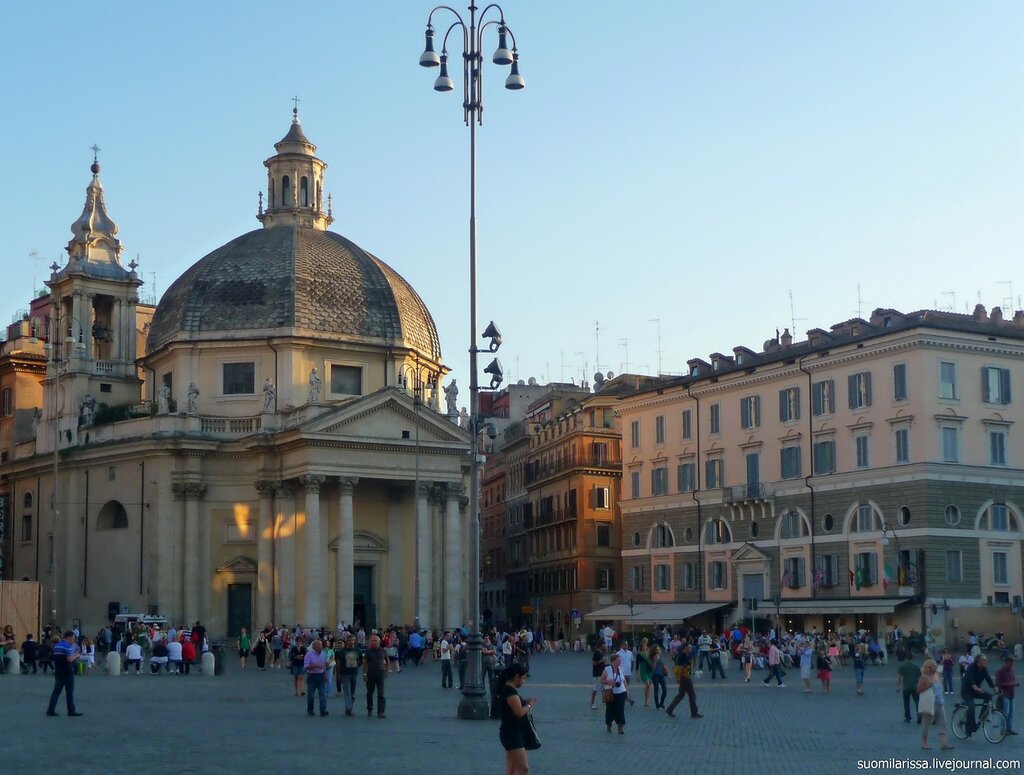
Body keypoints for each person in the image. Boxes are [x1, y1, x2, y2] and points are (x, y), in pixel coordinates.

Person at [498, 663, 537, 775]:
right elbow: (519, 712)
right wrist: (529, 704)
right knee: (523, 768)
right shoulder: (511, 692)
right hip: (512, 734)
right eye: (523, 678)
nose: (524, 681)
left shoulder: (506, 690)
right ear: (516, 677)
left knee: (512, 767)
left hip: (510, 732)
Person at [917, 659, 955, 751]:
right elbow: (918, 689)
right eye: (933, 666)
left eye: (935, 665)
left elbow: (939, 688)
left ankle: (943, 742)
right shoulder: (924, 677)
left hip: (939, 702)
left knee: (943, 722)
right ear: (928, 667)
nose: (936, 667)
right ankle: (924, 742)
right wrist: (928, 685)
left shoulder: (937, 675)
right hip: (930, 702)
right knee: (926, 723)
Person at [46, 631, 82, 717]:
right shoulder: (68, 646)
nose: (74, 640)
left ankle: (51, 709)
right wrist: (76, 656)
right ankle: (71, 710)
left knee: (56, 691)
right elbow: (69, 659)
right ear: (69, 637)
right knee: (69, 692)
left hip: (58, 670)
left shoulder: (57, 645)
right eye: (73, 638)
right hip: (67, 671)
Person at [961, 653, 996, 738]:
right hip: (967, 691)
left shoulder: (984, 668)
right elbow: (969, 678)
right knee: (971, 708)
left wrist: (995, 687)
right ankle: (968, 730)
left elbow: (988, 678)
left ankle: (982, 715)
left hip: (977, 690)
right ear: (978, 662)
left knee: (989, 696)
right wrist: (975, 687)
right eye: (984, 660)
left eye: (986, 659)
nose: (986, 661)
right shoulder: (971, 667)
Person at [665, 642, 702, 719]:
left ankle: (669, 709)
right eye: (689, 647)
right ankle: (694, 713)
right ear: (685, 647)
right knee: (692, 694)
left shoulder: (684, 655)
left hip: (684, 677)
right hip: (685, 678)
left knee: (681, 695)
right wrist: (679, 677)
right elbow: (681, 667)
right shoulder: (683, 656)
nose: (690, 648)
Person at [601, 652, 628, 734]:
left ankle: (620, 727)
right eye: (618, 660)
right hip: (611, 693)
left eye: (620, 660)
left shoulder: (621, 669)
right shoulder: (607, 669)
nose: (620, 662)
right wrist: (610, 682)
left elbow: (624, 681)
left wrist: (627, 691)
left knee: (620, 710)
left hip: (621, 692)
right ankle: (609, 725)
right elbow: (601, 680)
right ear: (613, 661)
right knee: (610, 710)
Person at [363, 634, 388, 718]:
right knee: (370, 693)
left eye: (375, 641)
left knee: (381, 694)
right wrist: (364, 674)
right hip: (370, 674)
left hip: (380, 674)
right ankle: (370, 708)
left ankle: (380, 711)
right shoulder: (368, 651)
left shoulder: (383, 651)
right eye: (372, 641)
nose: (373, 642)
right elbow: (365, 663)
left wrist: (387, 671)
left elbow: (387, 661)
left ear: (379, 642)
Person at [336, 633, 362, 716]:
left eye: (353, 640)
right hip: (345, 673)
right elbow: (338, 664)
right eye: (350, 640)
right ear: (347, 641)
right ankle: (349, 709)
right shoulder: (342, 652)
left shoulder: (358, 650)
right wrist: (339, 674)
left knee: (353, 693)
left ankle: (349, 706)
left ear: (355, 641)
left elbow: (361, 661)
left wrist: (357, 665)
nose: (351, 642)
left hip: (354, 673)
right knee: (347, 692)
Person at [304, 639, 329, 716]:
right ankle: (310, 710)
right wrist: (315, 666)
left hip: (321, 675)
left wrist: (325, 674)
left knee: (322, 694)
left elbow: (324, 665)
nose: (320, 646)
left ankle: (323, 710)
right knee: (311, 695)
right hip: (312, 676)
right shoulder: (309, 654)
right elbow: (306, 666)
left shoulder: (323, 654)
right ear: (314, 646)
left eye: (321, 645)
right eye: (318, 645)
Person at [996, 656, 1019, 736]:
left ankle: (1009, 729)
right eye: (1009, 665)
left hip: (1012, 694)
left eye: (1012, 665)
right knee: (1005, 713)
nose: (1011, 666)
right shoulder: (1000, 672)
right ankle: (1003, 730)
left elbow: (1013, 679)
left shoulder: (1011, 671)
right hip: (1005, 694)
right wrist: (1010, 684)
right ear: (1005, 663)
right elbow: (998, 683)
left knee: (1011, 713)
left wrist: (1015, 683)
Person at [896, 652, 921, 723]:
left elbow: (899, 677)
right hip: (915, 686)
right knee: (917, 702)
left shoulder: (902, 666)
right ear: (912, 657)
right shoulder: (916, 666)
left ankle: (908, 717)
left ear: (906, 657)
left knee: (906, 702)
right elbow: (920, 676)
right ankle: (919, 716)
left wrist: (898, 687)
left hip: (906, 687)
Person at [616, 640, 635, 706]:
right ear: (621, 645)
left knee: (626, 687)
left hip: (628, 673)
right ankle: (628, 700)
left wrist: (631, 669)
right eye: (624, 644)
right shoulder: (618, 653)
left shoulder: (630, 653)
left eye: (626, 644)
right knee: (623, 687)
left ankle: (625, 699)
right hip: (621, 673)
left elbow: (632, 662)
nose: (626, 645)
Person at [649, 644, 669, 710]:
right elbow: (653, 667)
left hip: (661, 675)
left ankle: (661, 704)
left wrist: (668, 674)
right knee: (656, 690)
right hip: (655, 675)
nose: (657, 651)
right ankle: (657, 705)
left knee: (665, 690)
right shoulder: (651, 657)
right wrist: (655, 659)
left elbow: (663, 666)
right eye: (656, 650)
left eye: (658, 649)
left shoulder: (660, 656)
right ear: (653, 650)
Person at [589, 642, 606, 710]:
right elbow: (593, 663)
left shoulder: (602, 653)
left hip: (602, 673)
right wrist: (602, 661)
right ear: (600, 645)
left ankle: (604, 700)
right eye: (604, 645)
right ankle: (592, 703)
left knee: (603, 688)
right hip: (597, 674)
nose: (605, 646)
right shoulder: (596, 653)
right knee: (595, 688)